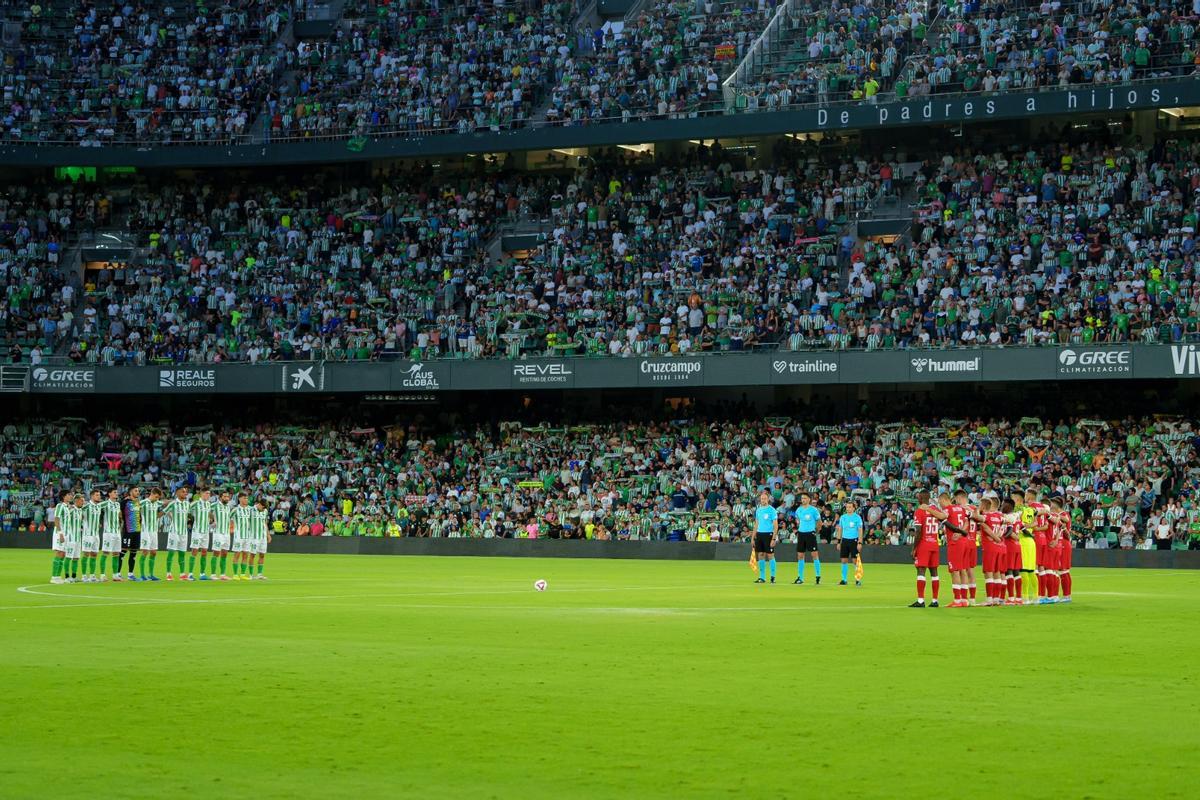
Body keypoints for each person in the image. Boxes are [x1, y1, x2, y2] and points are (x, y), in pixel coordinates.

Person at [910, 491, 946, 607]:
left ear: (920, 498)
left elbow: (918, 531)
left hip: (924, 544)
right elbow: (944, 517)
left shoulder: (919, 511)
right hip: (934, 543)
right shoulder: (934, 510)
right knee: (934, 572)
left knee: (921, 571)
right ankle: (935, 600)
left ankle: (920, 600)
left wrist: (914, 548)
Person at [941, 493, 971, 607]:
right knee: (963, 570)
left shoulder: (948, 509)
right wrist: (961, 532)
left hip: (955, 543)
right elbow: (966, 522)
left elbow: (941, 516)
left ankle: (957, 600)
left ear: (944, 500)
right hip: (964, 541)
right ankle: (964, 600)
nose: (941, 505)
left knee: (955, 571)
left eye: (940, 502)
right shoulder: (961, 509)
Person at [979, 497, 1007, 606]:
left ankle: (989, 600)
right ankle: (996, 599)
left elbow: (985, 527)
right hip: (999, 546)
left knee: (989, 572)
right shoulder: (1000, 516)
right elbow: (1003, 529)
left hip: (990, 547)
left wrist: (994, 537)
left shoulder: (986, 516)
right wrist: (998, 537)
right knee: (997, 573)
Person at [793, 492, 821, 585]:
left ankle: (818, 575)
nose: (803, 500)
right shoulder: (799, 510)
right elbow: (797, 519)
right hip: (801, 534)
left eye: (805, 498)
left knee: (814, 555)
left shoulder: (813, 510)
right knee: (800, 556)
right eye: (802, 498)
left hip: (810, 534)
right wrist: (798, 524)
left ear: (809, 499)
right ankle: (800, 577)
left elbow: (819, 522)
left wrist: (815, 531)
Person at [164, 487, 192, 580]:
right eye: (183, 492)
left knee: (182, 553)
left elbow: (188, 515)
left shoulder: (187, 504)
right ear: (177, 493)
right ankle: (168, 573)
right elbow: (164, 511)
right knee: (171, 553)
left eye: (186, 492)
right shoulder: (173, 503)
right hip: (174, 532)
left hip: (184, 532)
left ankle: (182, 574)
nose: (185, 493)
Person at [752, 490, 778, 584]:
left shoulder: (772, 510)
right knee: (761, 555)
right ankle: (762, 577)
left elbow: (775, 525)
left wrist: (774, 538)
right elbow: (756, 524)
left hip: (768, 534)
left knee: (770, 555)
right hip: (760, 534)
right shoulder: (758, 510)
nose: (763, 500)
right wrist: (753, 537)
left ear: (768, 499)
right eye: (762, 499)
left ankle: (773, 576)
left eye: (765, 498)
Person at [835, 500, 864, 586]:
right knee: (844, 560)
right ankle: (844, 580)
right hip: (845, 540)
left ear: (854, 508)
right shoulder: (843, 517)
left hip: (854, 541)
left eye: (850, 507)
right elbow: (840, 529)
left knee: (855, 561)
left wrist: (860, 542)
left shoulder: (857, 518)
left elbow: (860, 530)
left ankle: (858, 579)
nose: (848, 509)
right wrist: (839, 541)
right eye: (847, 507)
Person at [138, 488, 163, 582]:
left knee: (154, 552)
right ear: (152, 494)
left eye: (158, 497)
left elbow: (164, 502)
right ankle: (142, 575)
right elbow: (132, 507)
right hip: (145, 531)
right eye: (156, 497)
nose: (157, 499)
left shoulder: (157, 503)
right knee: (145, 552)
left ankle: (151, 574)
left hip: (154, 531)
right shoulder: (144, 502)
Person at [188, 488, 214, 580]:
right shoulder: (195, 503)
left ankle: (202, 574)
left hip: (205, 532)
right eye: (207, 493)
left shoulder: (208, 504)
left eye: (209, 494)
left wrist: (211, 519)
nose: (208, 495)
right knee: (194, 551)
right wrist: (188, 521)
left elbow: (209, 513)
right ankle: (190, 574)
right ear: (202, 494)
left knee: (204, 552)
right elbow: (187, 510)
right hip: (197, 532)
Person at [1002, 496, 1023, 605]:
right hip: (1017, 546)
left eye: (1003, 504)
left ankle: (1010, 598)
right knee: (1016, 572)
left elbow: (1011, 533)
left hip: (1010, 546)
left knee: (1008, 571)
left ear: (1007, 506)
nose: (1001, 506)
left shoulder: (1008, 517)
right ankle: (1018, 598)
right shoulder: (1017, 517)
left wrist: (1002, 536)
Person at [49, 490, 73, 584]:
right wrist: (60, 533)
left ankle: (58, 576)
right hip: (60, 533)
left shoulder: (67, 507)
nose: (70, 496)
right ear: (63, 496)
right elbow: (56, 518)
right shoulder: (60, 506)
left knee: (63, 555)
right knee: (59, 553)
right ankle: (54, 577)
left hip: (66, 534)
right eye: (68, 494)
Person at [210, 490, 234, 581]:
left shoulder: (228, 507)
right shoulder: (215, 505)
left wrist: (231, 527)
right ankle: (213, 574)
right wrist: (212, 519)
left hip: (226, 534)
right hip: (218, 533)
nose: (226, 498)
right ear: (220, 498)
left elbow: (230, 518)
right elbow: (206, 509)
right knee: (216, 553)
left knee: (224, 554)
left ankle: (223, 574)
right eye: (224, 496)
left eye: (227, 497)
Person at [101, 488, 123, 582]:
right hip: (108, 532)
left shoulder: (118, 504)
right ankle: (102, 575)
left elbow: (120, 516)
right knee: (105, 553)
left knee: (116, 553)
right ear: (109, 494)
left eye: (117, 492)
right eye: (114, 492)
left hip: (117, 532)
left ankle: (115, 575)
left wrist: (121, 523)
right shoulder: (105, 503)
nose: (116, 493)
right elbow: (94, 506)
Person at [232, 493, 257, 580]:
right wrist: (231, 529)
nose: (246, 499)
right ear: (239, 499)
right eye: (244, 498)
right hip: (238, 536)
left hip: (248, 536)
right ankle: (235, 574)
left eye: (247, 498)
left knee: (245, 554)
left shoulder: (250, 509)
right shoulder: (235, 510)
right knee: (237, 554)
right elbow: (229, 519)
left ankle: (242, 574)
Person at [81, 489, 103, 583]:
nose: (99, 497)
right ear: (92, 496)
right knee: (86, 554)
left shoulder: (99, 506)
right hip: (87, 535)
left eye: (99, 495)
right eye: (97, 495)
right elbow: (78, 511)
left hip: (96, 535)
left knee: (94, 554)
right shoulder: (86, 506)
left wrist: (98, 524)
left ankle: (92, 576)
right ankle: (84, 576)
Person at [122, 487, 142, 580]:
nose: (137, 492)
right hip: (128, 531)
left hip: (137, 531)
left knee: (133, 553)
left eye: (138, 491)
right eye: (135, 490)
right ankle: (117, 573)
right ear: (130, 492)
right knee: (123, 552)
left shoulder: (138, 502)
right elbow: (119, 513)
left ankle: (130, 574)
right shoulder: (125, 502)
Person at [64, 493, 85, 582]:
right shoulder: (71, 510)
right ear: (76, 501)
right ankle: (66, 577)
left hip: (78, 539)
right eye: (81, 500)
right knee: (68, 557)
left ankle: (73, 576)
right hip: (70, 538)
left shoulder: (80, 511)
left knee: (76, 557)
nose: (83, 502)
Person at [251, 499, 271, 580]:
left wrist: (268, 535)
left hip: (263, 537)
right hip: (254, 536)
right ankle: (251, 575)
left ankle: (259, 574)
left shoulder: (265, 511)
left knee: (262, 555)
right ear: (259, 504)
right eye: (263, 508)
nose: (264, 510)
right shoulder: (251, 510)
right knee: (253, 555)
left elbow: (265, 523)